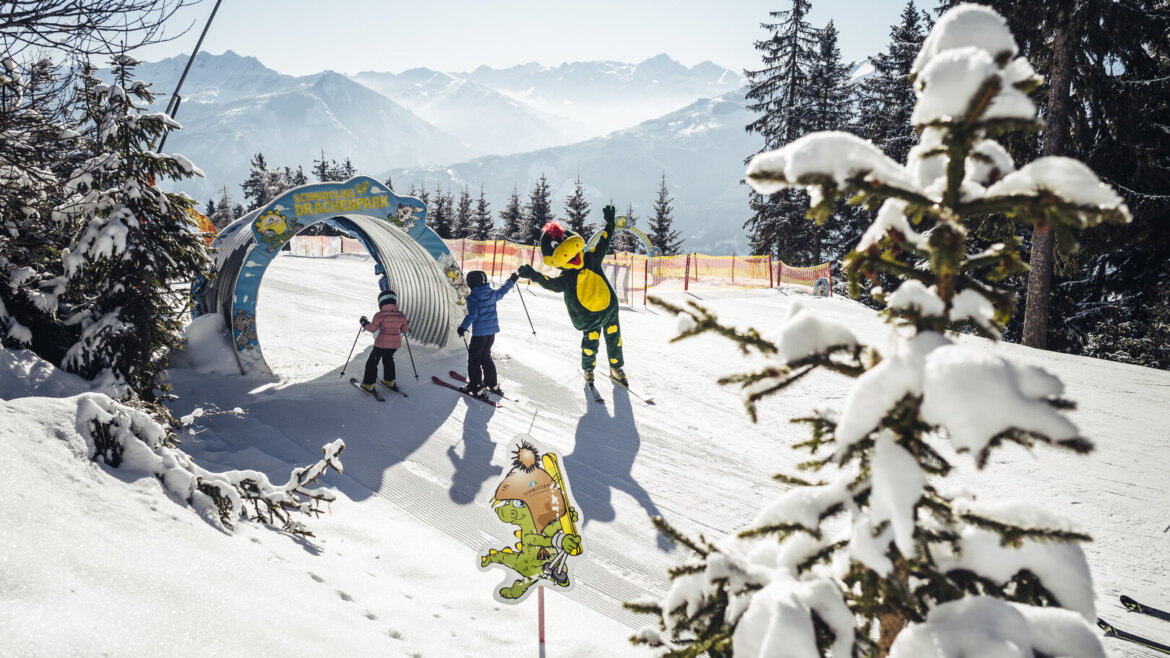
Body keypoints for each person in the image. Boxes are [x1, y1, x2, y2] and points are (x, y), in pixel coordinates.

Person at [517, 204, 627, 386]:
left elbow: (603, 243)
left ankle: (616, 367)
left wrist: (610, 225)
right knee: (590, 343)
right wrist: (535, 275)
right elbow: (551, 284)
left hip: (609, 311)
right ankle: (588, 369)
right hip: (589, 317)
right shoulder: (566, 277)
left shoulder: (591, 259)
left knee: (614, 340)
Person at [458, 269, 518, 398]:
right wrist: (511, 281)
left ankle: (476, 388)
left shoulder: (473, 297)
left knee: (474, 360)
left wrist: (462, 327)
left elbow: (473, 315)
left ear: (472, 283)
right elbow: (502, 291)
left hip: (479, 335)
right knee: (485, 357)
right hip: (491, 334)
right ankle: (492, 384)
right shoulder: (491, 293)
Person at [359, 289, 408, 393]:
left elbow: (372, 328)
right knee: (388, 359)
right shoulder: (401, 315)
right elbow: (404, 329)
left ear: (381, 302)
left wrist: (364, 323)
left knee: (372, 362)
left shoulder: (380, 315)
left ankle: (368, 384)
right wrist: (404, 323)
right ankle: (389, 381)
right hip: (395, 344)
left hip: (381, 344)